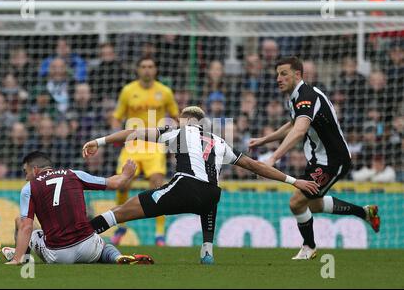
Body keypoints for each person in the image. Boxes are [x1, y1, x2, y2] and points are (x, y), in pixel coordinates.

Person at [82, 106, 319, 265]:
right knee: (211, 191)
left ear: (183, 120)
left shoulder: (177, 131)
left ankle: (83, 235)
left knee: (125, 210)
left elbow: (132, 133)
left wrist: (98, 141)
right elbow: (256, 166)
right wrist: (293, 180)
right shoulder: (220, 141)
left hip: (185, 186)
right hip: (211, 195)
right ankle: (207, 249)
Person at [248, 56, 380, 260]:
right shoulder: (295, 97)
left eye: (284, 74)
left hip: (333, 161)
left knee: (296, 202)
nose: (278, 78)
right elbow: (293, 124)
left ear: (297, 74)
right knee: (314, 205)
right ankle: (364, 213)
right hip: (319, 160)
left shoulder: (307, 96)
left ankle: (309, 247)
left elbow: (300, 130)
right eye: (277, 74)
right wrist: (265, 139)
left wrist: (273, 157)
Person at [4, 151, 154, 265]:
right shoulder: (74, 174)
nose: (25, 177)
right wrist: (126, 175)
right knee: (104, 244)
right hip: (88, 246)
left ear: (35, 170)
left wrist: (15, 260)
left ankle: (21, 257)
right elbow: (115, 183)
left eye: (26, 172)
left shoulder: (29, 187)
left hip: (58, 255)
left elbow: (26, 226)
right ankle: (117, 257)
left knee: (20, 221)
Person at [110, 56, 179, 246]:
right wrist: (116, 133)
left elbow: (175, 116)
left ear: (155, 70)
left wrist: (174, 140)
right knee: (122, 184)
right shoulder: (128, 91)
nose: (147, 70)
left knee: (157, 185)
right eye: (143, 66)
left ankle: (159, 234)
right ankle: (121, 226)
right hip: (133, 144)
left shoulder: (164, 92)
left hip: (155, 145)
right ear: (138, 70)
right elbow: (117, 116)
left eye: (150, 66)